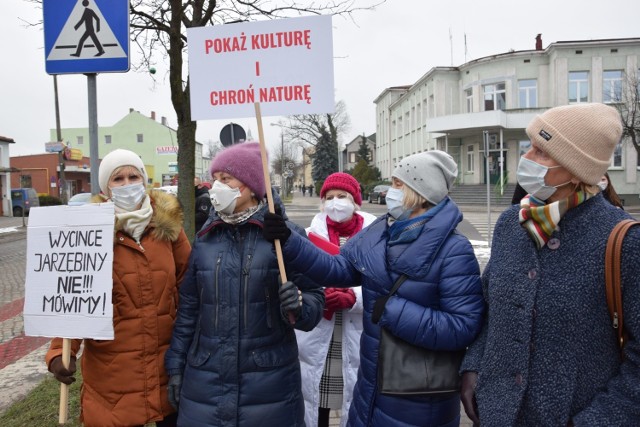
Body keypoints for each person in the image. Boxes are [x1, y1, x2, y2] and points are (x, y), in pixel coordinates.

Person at [263, 151, 485, 426]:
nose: (390, 191)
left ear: (419, 190)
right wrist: (289, 240)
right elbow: (339, 268)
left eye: (397, 184)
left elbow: (463, 326)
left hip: (418, 396)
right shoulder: (384, 230)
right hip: (371, 385)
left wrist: (391, 309)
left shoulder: (454, 249)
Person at [460, 103, 640, 425]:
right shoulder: (510, 224)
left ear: (576, 168)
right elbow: (492, 310)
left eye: (541, 151)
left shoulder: (624, 242)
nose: (526, 158)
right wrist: (474, 367)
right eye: (530, 146)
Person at [164, 142, 325, 426]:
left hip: (269, 387)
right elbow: (189, 310)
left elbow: (314, 299)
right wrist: (175, 365)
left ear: (250, 186)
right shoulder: (205, 238)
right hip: (205, 385)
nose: (216, 186)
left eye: (226, 179)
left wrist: (299, 306)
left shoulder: (283, 236)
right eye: (215, 179)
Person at [46, 148, 191, 427]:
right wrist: (58, 354)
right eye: (118, 179)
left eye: (133, 176)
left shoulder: (170, 228)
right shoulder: (87, 233)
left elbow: (189, 286)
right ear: (106, 187)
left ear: (144, 180)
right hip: (113, 376)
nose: (127, 184)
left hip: (167, 365)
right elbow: (72, 296)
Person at [297, 172, 377, 427]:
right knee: (318, 393)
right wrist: (321, 294)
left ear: (355, 200)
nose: (335, 202)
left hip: (358, 328)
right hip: (322, 330)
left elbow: (386, 284)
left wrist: (355, 296)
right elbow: (300, 276)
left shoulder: (375, 235)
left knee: (355, 392)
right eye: (329, 197)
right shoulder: (309, 235)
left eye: (342, 196)